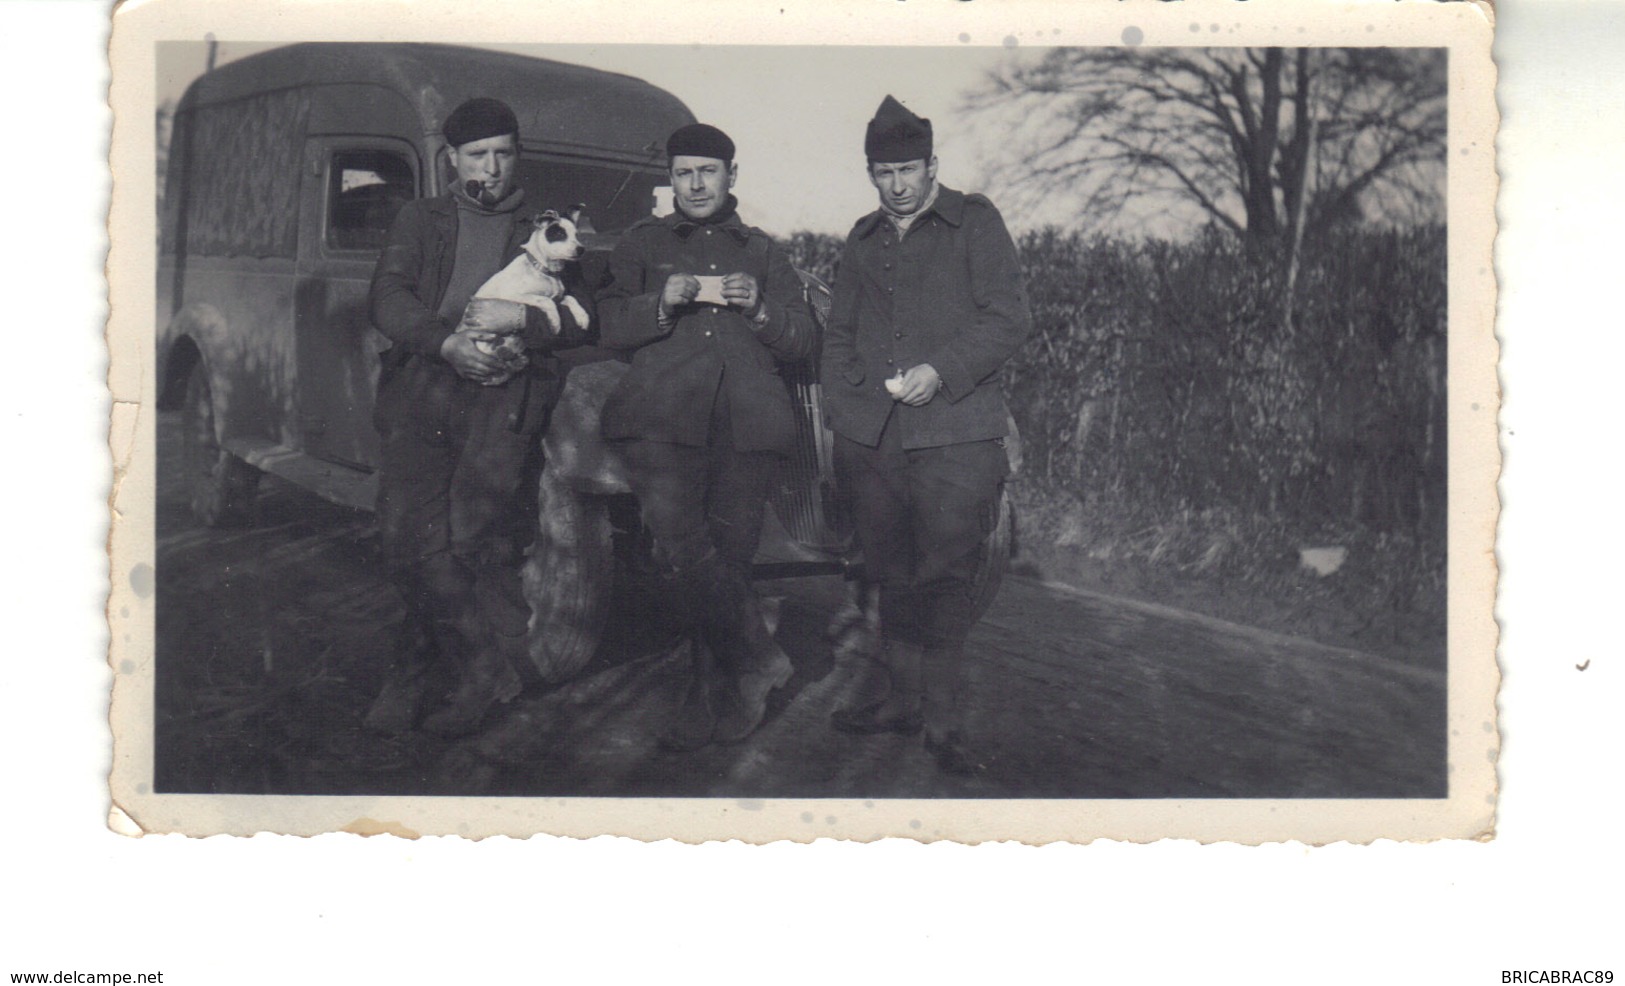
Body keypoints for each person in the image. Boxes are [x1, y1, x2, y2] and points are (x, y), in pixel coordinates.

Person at [364, 97, 594, 737]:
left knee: (468, 541)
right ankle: (475, 669)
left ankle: (432, 678)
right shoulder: (422, 218)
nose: (490, 168)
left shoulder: (546, 227)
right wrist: (444, 343)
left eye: (502, 153)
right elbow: (387, 296)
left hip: (503, 398)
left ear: (518, 154)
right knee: (405, 539)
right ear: (451, 161)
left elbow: (583, 319)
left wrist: (523, 319)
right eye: (476, 156)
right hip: (424, 389)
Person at [820, 96, 1032, 775]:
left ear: (932, 165)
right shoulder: (860, 241)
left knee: (944, 578)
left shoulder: (975, 223)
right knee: (886, 575)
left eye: (908, 169)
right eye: (883, 172)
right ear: (870, 173)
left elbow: (1007, 319)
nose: (897, 185)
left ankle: (942, 726)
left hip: (957, 436)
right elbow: (840, 336)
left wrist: (940, 372)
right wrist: (844, 414)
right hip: (874, 441)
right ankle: (896, 701)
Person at [596, 123, 816, 749]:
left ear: (731, 177)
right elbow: (607, 323)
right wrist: (658, 306)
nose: (695, 184)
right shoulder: (643, 244)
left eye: (708, 172)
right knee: (680, 550)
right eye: (684, 172)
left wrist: (764, 311)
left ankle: (712, 692)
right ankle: (759, 660)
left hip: (749, 422)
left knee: (731, 560)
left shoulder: (765, 253)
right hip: (664, 421)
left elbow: (805, 339)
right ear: (670, 179)